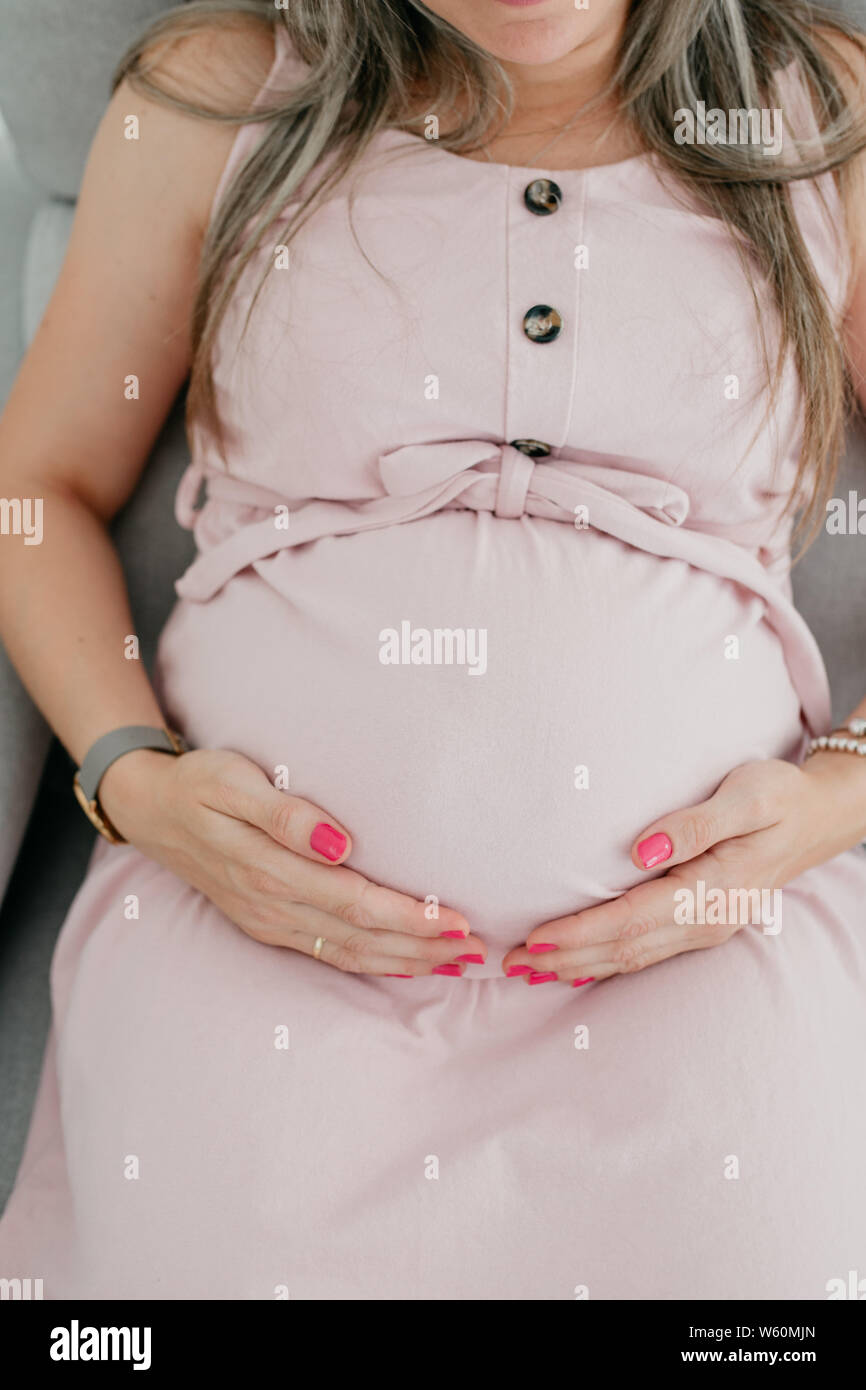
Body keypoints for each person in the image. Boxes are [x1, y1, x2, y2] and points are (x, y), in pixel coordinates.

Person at [0, 0, 865, 1300]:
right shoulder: (218, 96)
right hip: (264, 936)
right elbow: (37, 490)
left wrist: (838, 794)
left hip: (700, 958)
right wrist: (131, 777)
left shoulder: (819, 114)